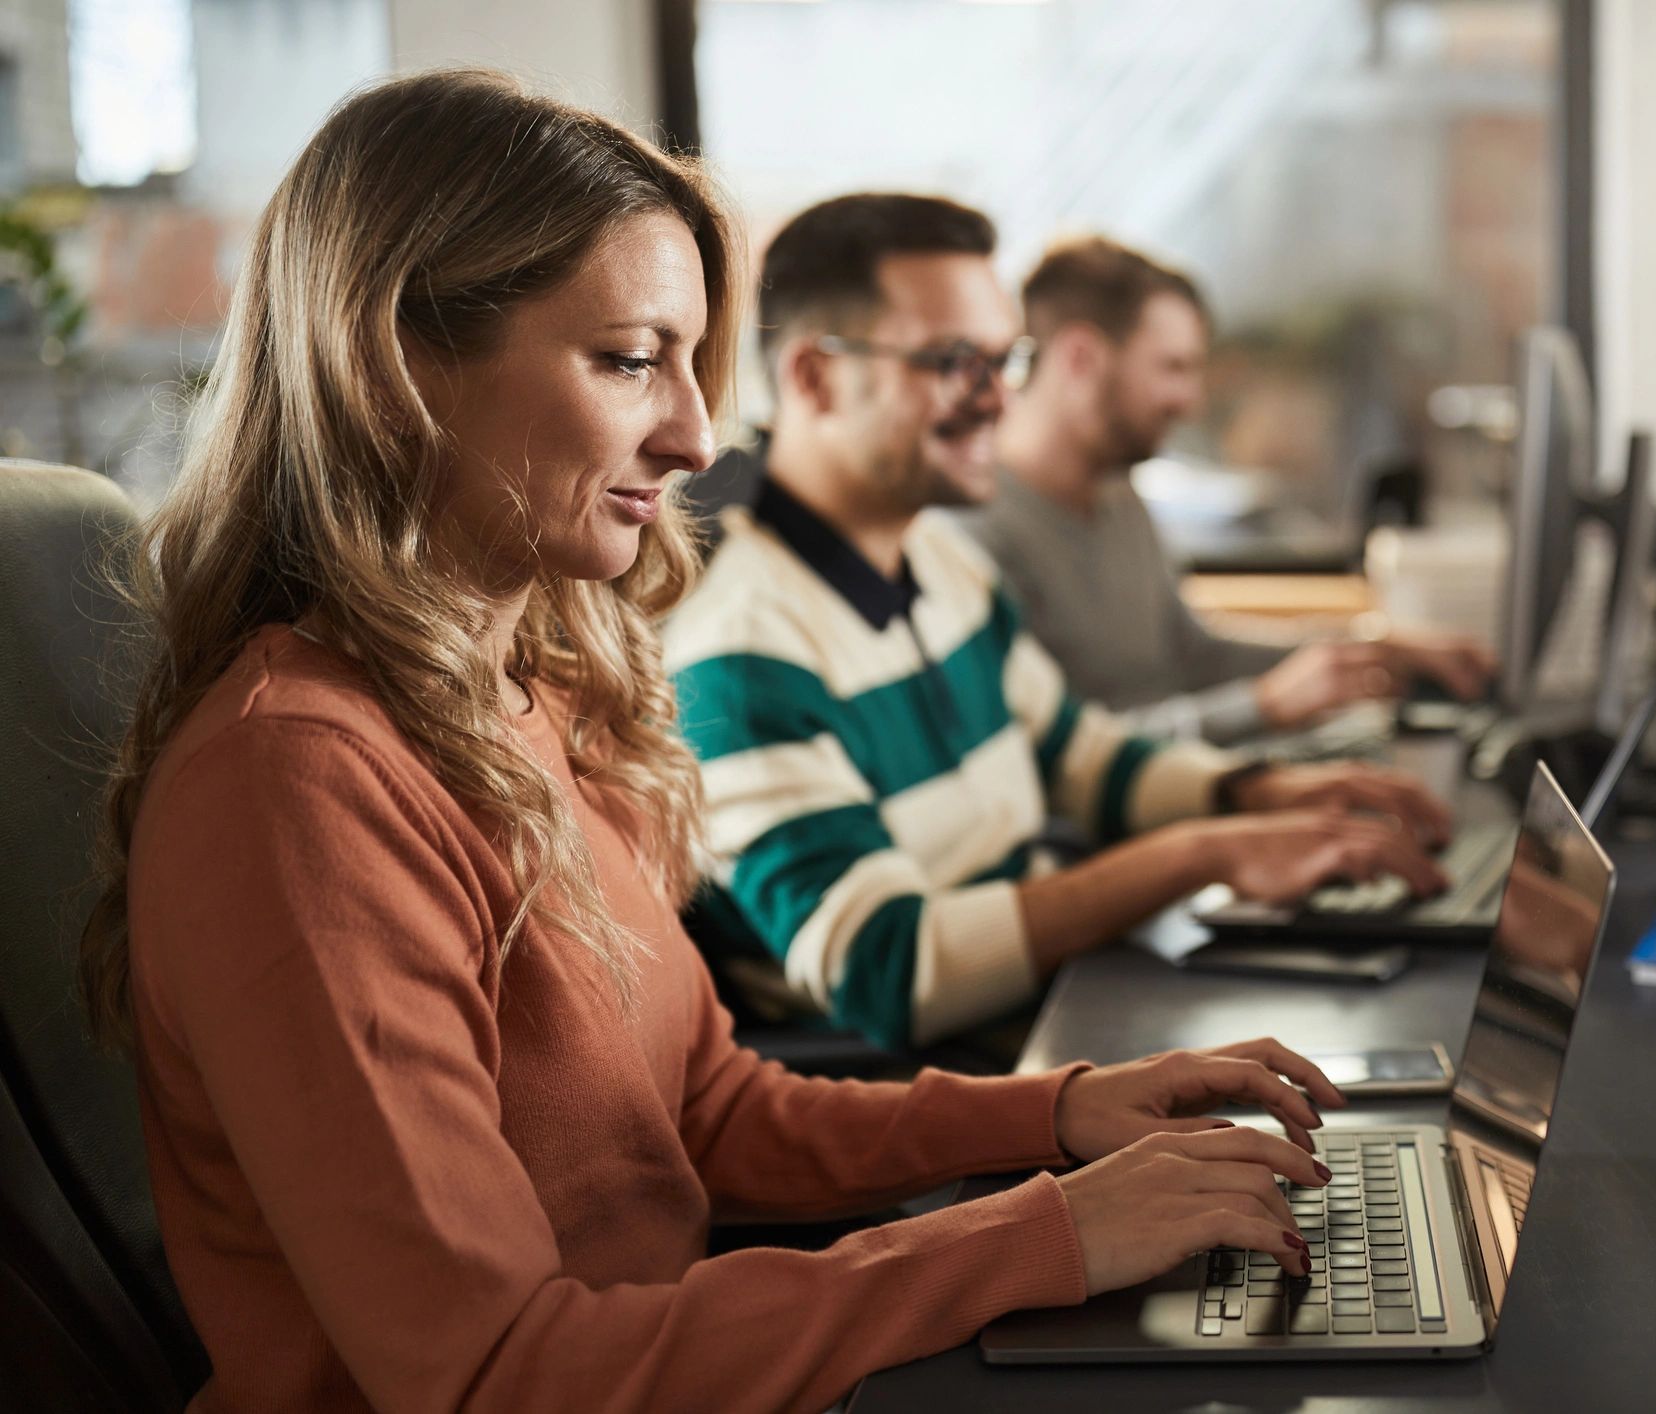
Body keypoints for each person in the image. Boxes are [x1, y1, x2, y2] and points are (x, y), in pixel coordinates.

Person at [79, 71, 1357, 1414]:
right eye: (631, 359)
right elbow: (493, 1375)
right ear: (397, 365)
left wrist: (1058, 1115)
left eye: (692, 364)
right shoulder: (297, 785)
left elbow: (704, 1116)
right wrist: (1046, 1235)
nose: (693, 434)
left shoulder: (535, 691)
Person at [664, 194, 1453, 1055]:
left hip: (1053, 1007)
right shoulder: (740, 658)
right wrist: (1201, 854)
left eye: (1008, 360)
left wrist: (1259, 795)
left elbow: (1077, 755)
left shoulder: (938, 561)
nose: (1001, 399)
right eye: (955, 361)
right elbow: (888, 970)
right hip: (938, 1090)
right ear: (814, 377)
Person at [955, 235, 1495, 745]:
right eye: (1172, 367)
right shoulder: (975, 533)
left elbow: (1193, 656)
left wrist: (1371, 649)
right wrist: (1264, 706)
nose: (1189, 402)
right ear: (1080, 358)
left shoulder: (1116, 491)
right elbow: (1057, 756)